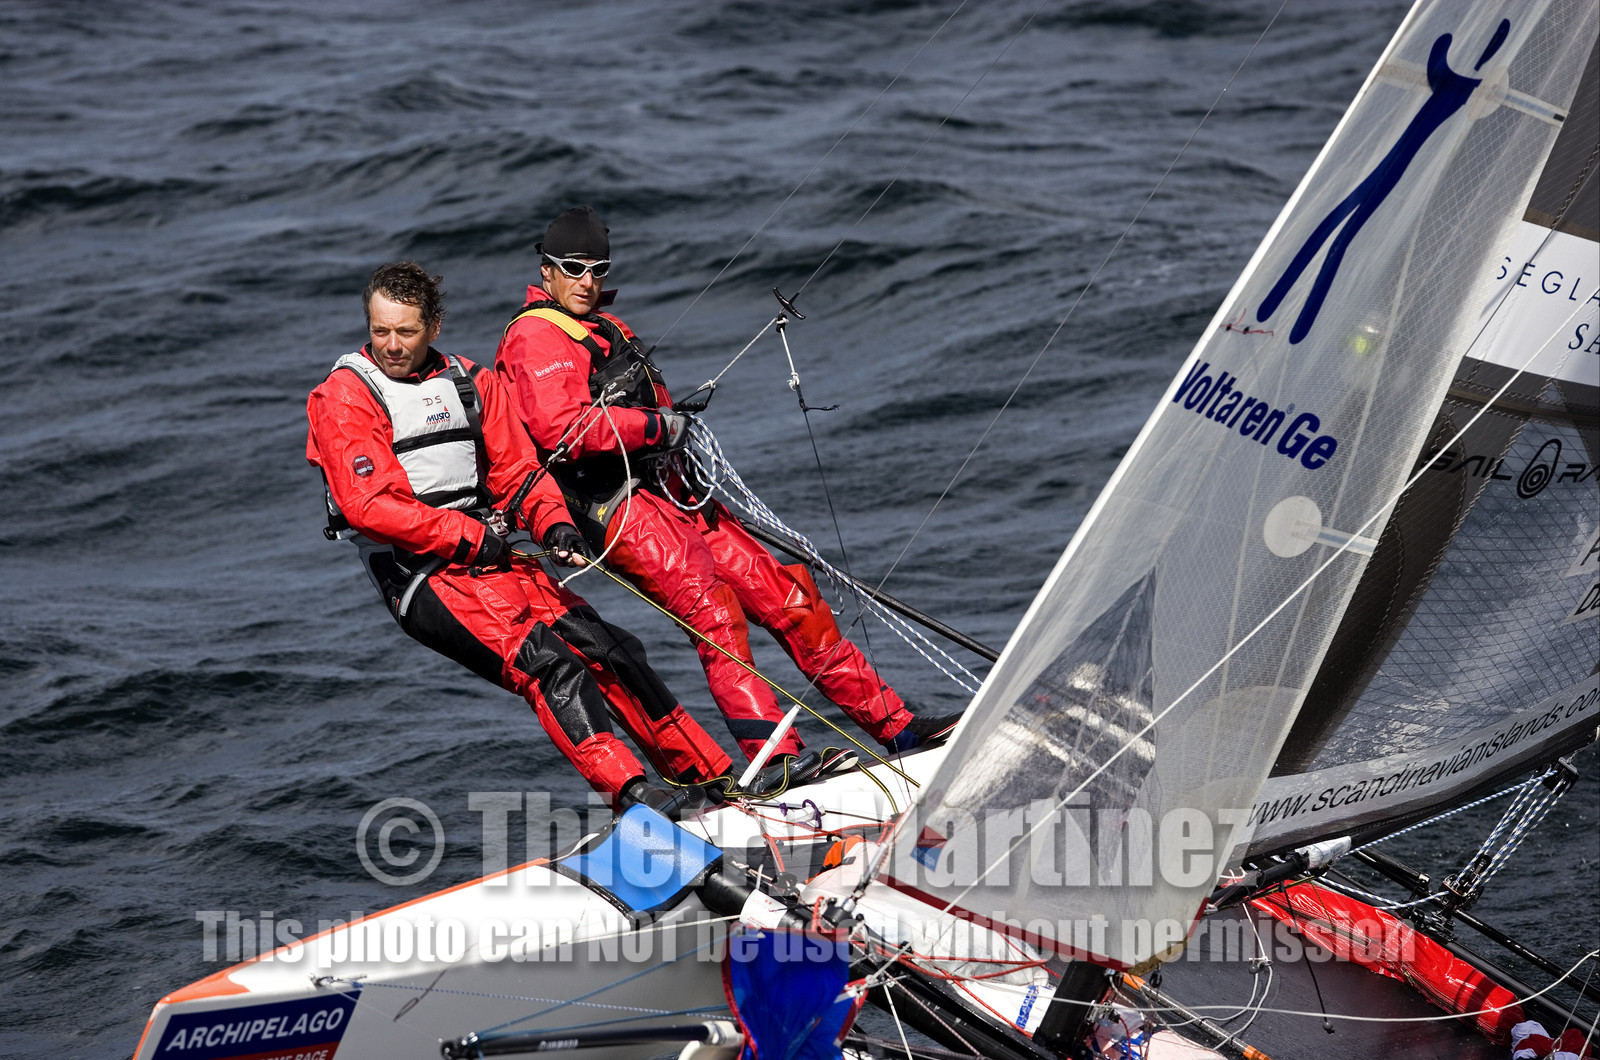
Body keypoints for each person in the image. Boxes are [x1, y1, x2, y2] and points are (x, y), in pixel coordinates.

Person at [493, 206, 961, 767]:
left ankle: (900, 730)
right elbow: (562, 427)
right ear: (546, 271)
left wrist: (667, 427)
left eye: (598, 268)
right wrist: (657, 425)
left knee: (792, 599)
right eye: (573, 268)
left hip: (676, 490)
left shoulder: (608, 329)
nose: (587, 281)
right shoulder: (535, 337)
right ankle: (777, 761)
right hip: (618, 508)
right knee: (714, 615)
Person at [306, 261, 734, 807]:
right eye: (380, 330)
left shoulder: (470, 381)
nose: (391, 344)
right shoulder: (343, 396)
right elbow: (371, 506)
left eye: (406, 331)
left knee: (611, 651)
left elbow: (518, 473)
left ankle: (710, 782)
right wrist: (467, 537)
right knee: (548, 664)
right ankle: (633, 797)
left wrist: (553, 522)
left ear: (433, 327)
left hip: (495, 555)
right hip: (421, 573)